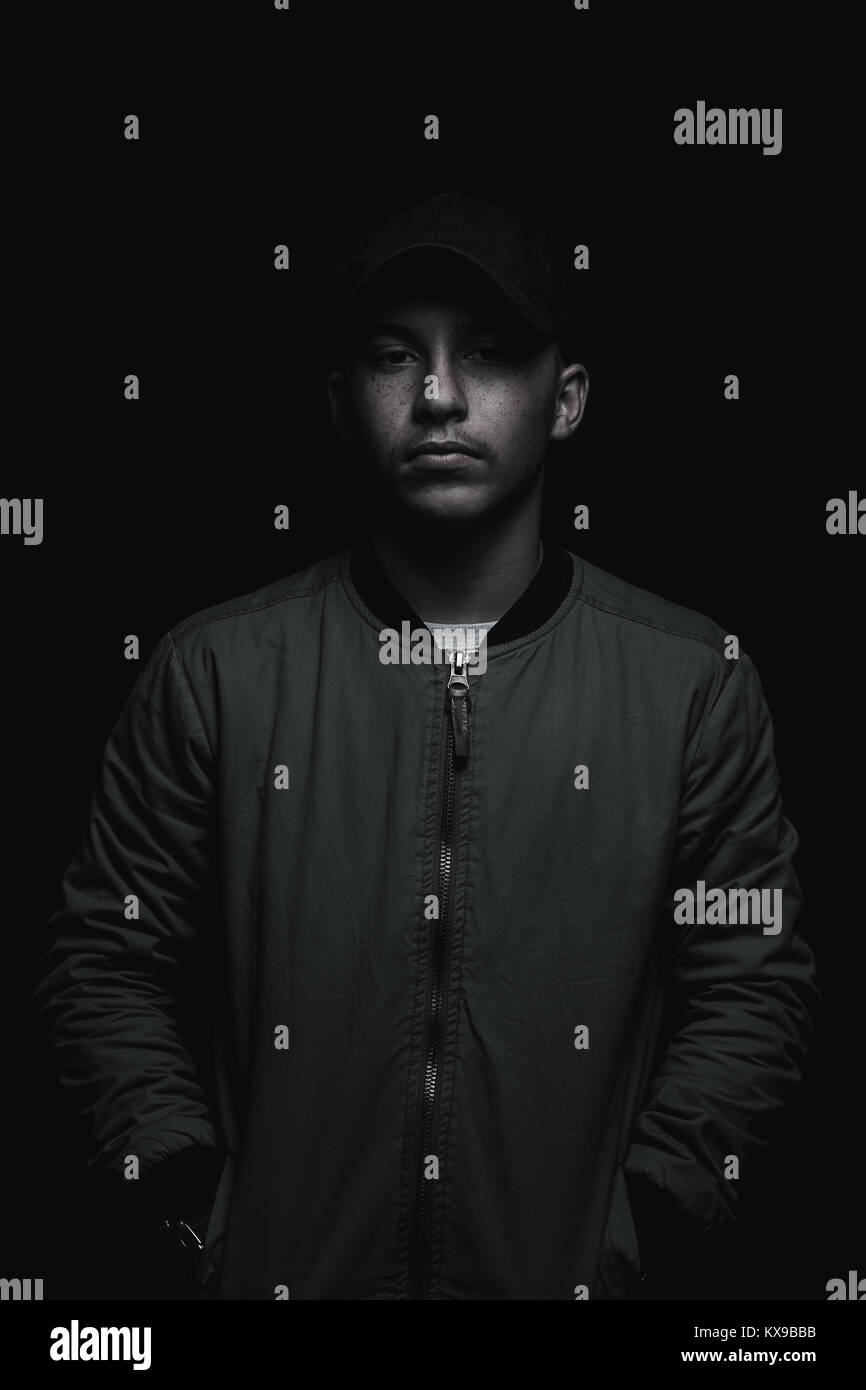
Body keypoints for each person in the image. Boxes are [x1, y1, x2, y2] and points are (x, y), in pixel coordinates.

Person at [33, 192, 819, 1301]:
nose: (439, 397)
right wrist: (190, 1209)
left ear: (567, 399)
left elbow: (750, 983)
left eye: (488, 355)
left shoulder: (691, 681)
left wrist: (638, 1231)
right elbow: (107, 960)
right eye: (396, 358)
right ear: (342, 400)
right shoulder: (214, 671)